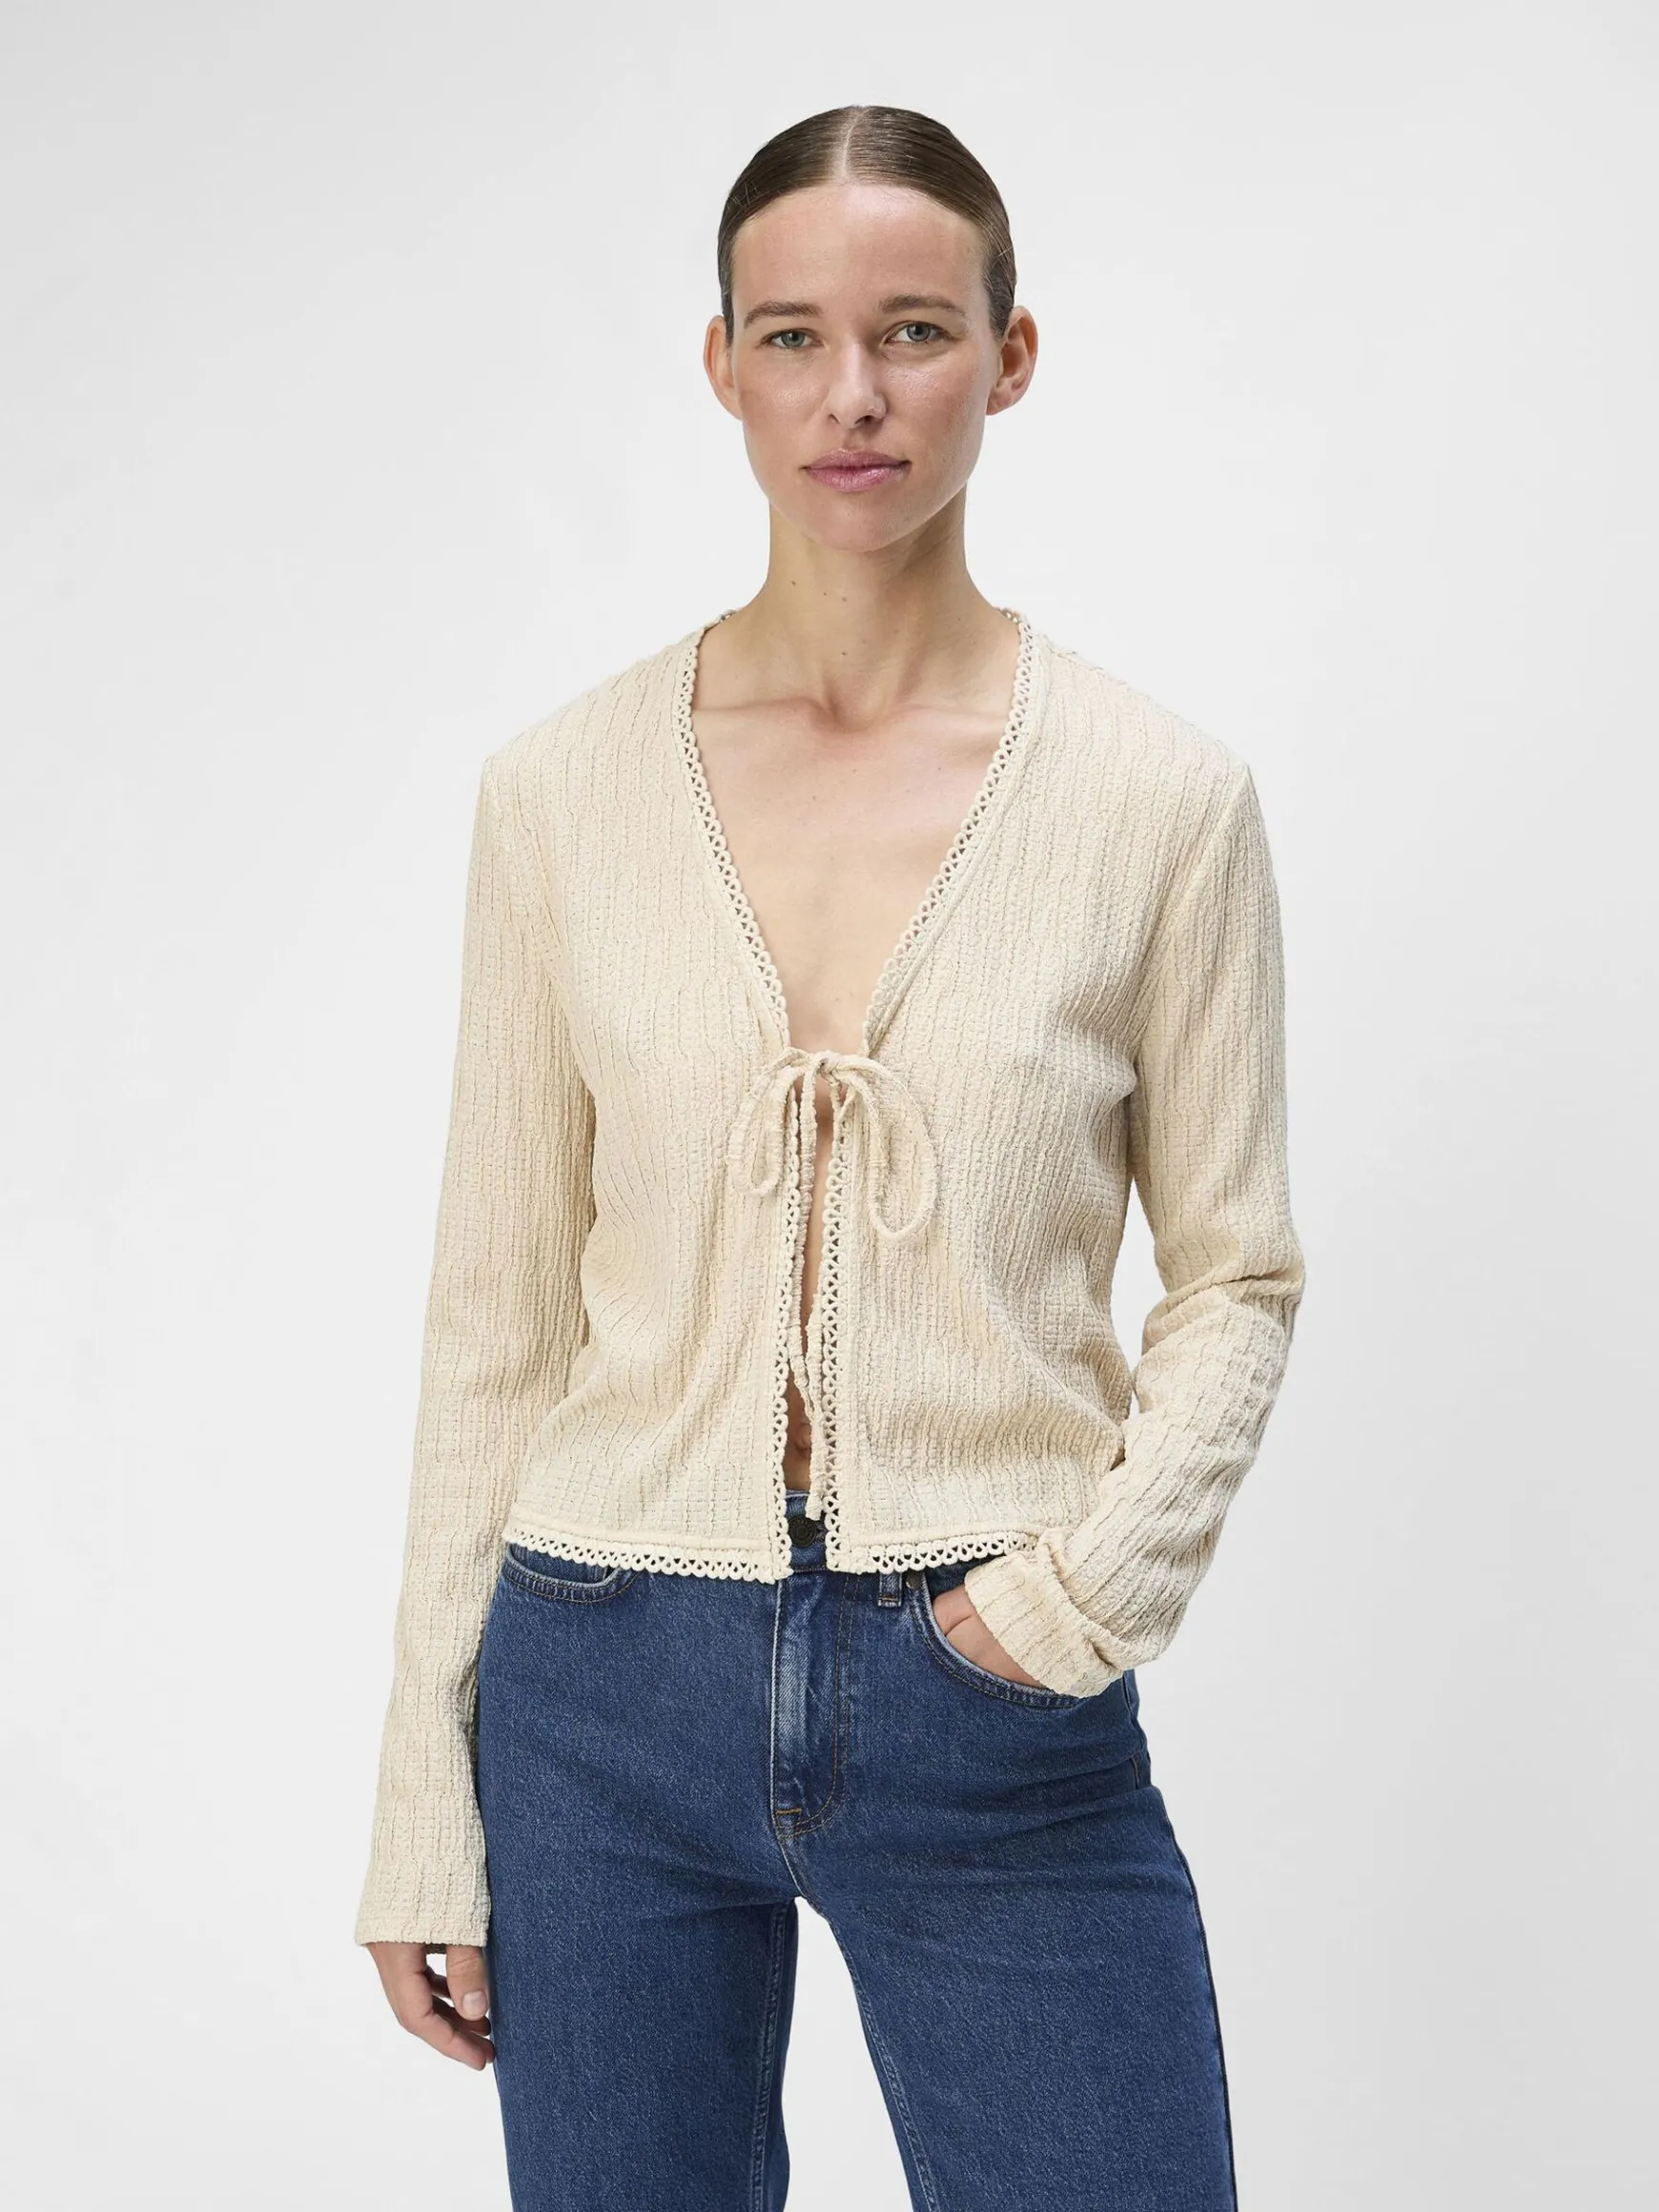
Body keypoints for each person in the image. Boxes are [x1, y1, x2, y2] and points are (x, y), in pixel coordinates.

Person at [354, 103, 1305, 2212]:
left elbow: (1237, 1273)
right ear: (723, 365)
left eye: (913, 332)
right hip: (600, 1685)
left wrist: (1072, 1606)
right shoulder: (560, 796)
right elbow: (493, 1317)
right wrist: (429, 1786)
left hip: (992, 1697)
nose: (851, 394)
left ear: (1010, 356)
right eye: (791, 336)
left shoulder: (1160, 800)